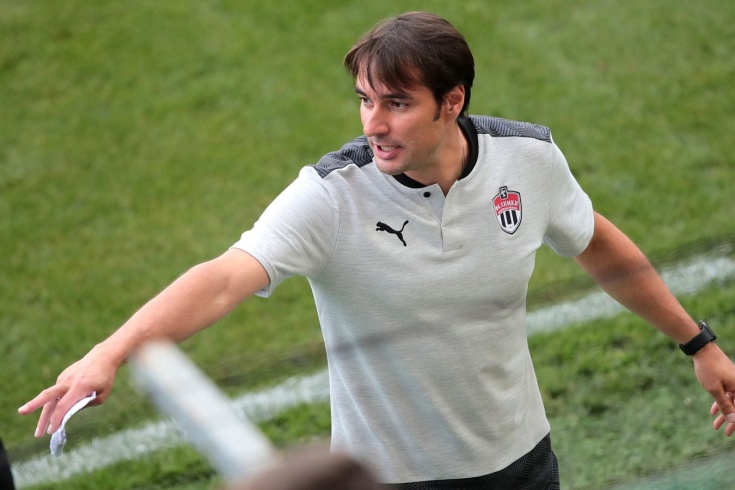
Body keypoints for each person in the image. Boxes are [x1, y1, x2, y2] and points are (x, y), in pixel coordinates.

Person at [18, 11, 735, 489]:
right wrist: (112, 351)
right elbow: (224, 278)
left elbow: (595, 241)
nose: (374, 124)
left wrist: (697, 343)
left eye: (396, 103)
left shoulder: (529, 160)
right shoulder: (331, 196)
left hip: (521, 465)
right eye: (365, 99)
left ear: (451, 102)